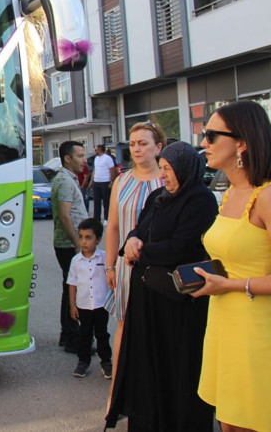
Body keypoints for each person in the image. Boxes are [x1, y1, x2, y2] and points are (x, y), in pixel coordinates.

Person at [193, 101, 271, 432]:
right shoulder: (231, 192)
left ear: (241, 142)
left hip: (258, 333)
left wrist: (233, 285)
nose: (203, 142)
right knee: (229, 424)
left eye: (210, 134)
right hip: (224, 325)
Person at [106, 141, 217, 431]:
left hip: (177, 300)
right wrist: (131, 241)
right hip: (148, 296)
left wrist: (140, 252)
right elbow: (138, 229)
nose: (164, 175)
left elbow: (183, 246)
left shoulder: (200, 199)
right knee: (147, 365)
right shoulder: (158, 196)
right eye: (163, 168)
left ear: (184, 168)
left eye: (168, 169)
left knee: (177, 367)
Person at [103, 121, 166, 404]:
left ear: (158, 147)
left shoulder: (167, 180)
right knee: (124, 326)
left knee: (159, 327)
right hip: (126, 269)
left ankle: (155, 389)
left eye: (143, 143)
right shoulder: (122, 181)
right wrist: (109, 265)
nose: (137, 149)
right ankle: (117, 392)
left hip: (159, 267)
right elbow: (113, 226)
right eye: (132, 144)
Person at [51, 141, 89, 353]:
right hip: (68, 244)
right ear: (67, 158)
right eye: (80, 156)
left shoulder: (67, 179)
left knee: (69, 289)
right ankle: (73, 338)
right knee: (73, 290)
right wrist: (77, 244)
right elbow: (65, 217)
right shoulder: (65, 181)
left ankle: (68, 335)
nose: (84, 160)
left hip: (67, 243)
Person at [68, 218, 111, 379]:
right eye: (81, 237)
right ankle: (83, 362)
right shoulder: (75, 261)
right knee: (84, 334)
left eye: (88, 237)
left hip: (101, 304)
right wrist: (72, 305)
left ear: (98, 239)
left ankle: (106, 361)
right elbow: (72, 284)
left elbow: (111, 279)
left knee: (102, 334)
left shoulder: (104, 258)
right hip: (83, 305)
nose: (84, 241)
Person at [90, 144, 117, 222]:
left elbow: (113, 170)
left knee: (106, 201)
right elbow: (95, 169)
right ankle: (96, 218)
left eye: (96, 149)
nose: (95, 151)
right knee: (96, 201)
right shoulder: (96, 158)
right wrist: (92, 181)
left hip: (105, 182)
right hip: (96, 182)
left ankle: (106, 218)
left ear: (99, 150)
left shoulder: (107, 158)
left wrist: (111, 181)